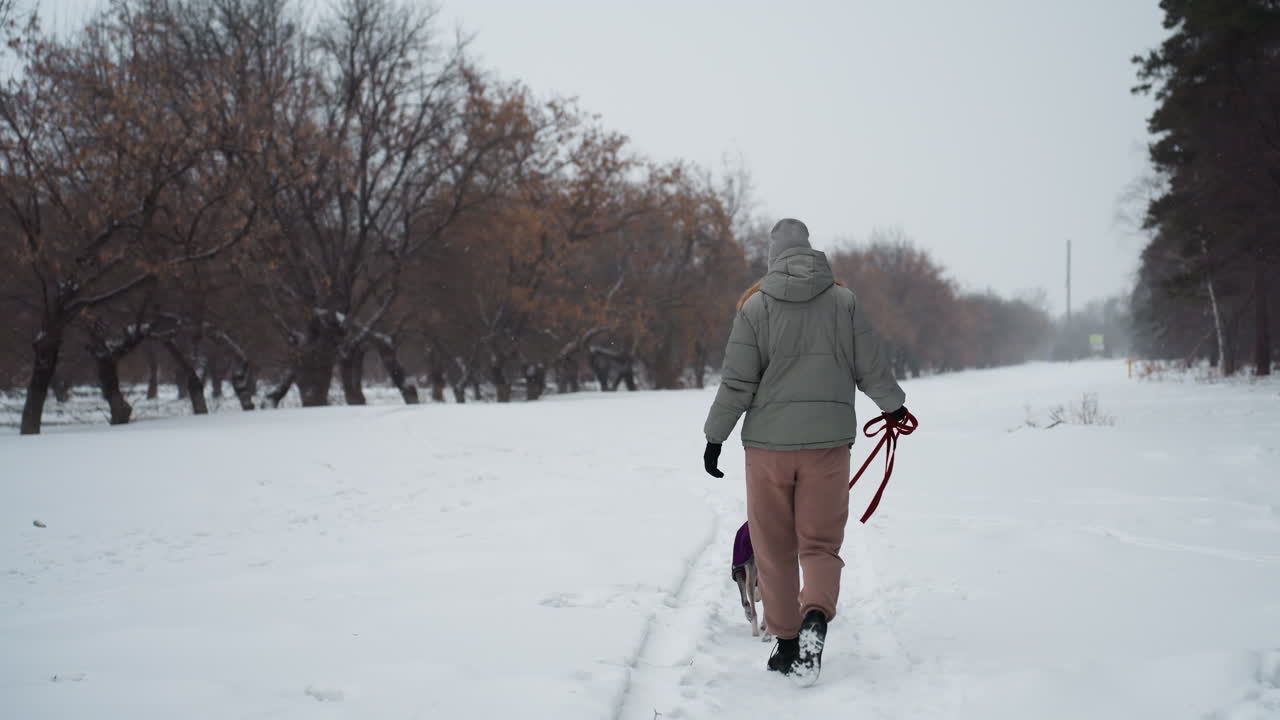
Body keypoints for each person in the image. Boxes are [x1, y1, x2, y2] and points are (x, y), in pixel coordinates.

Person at [701, 218, 909, 685]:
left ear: (773, 258)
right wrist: (894, 409)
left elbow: (737, 382)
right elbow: (871, 368)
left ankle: (787, 644)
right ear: (811, 251)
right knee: (819, 544)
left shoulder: (755, 307)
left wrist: (715, 437)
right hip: (828, 446)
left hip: (768, 450)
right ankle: (815, 617)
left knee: (773, 548)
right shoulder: (844, 302)